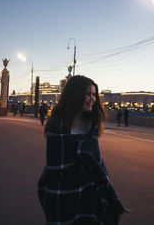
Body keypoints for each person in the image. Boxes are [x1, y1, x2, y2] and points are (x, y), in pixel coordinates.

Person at [38, 75, 128, 224]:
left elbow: (97, 163)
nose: (92, 98)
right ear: (75, 95)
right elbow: (56, 168)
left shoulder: (92, 125)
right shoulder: (56, 126)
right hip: (64, 194)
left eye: (94, 94)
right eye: (88, 94)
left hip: (89, 192)